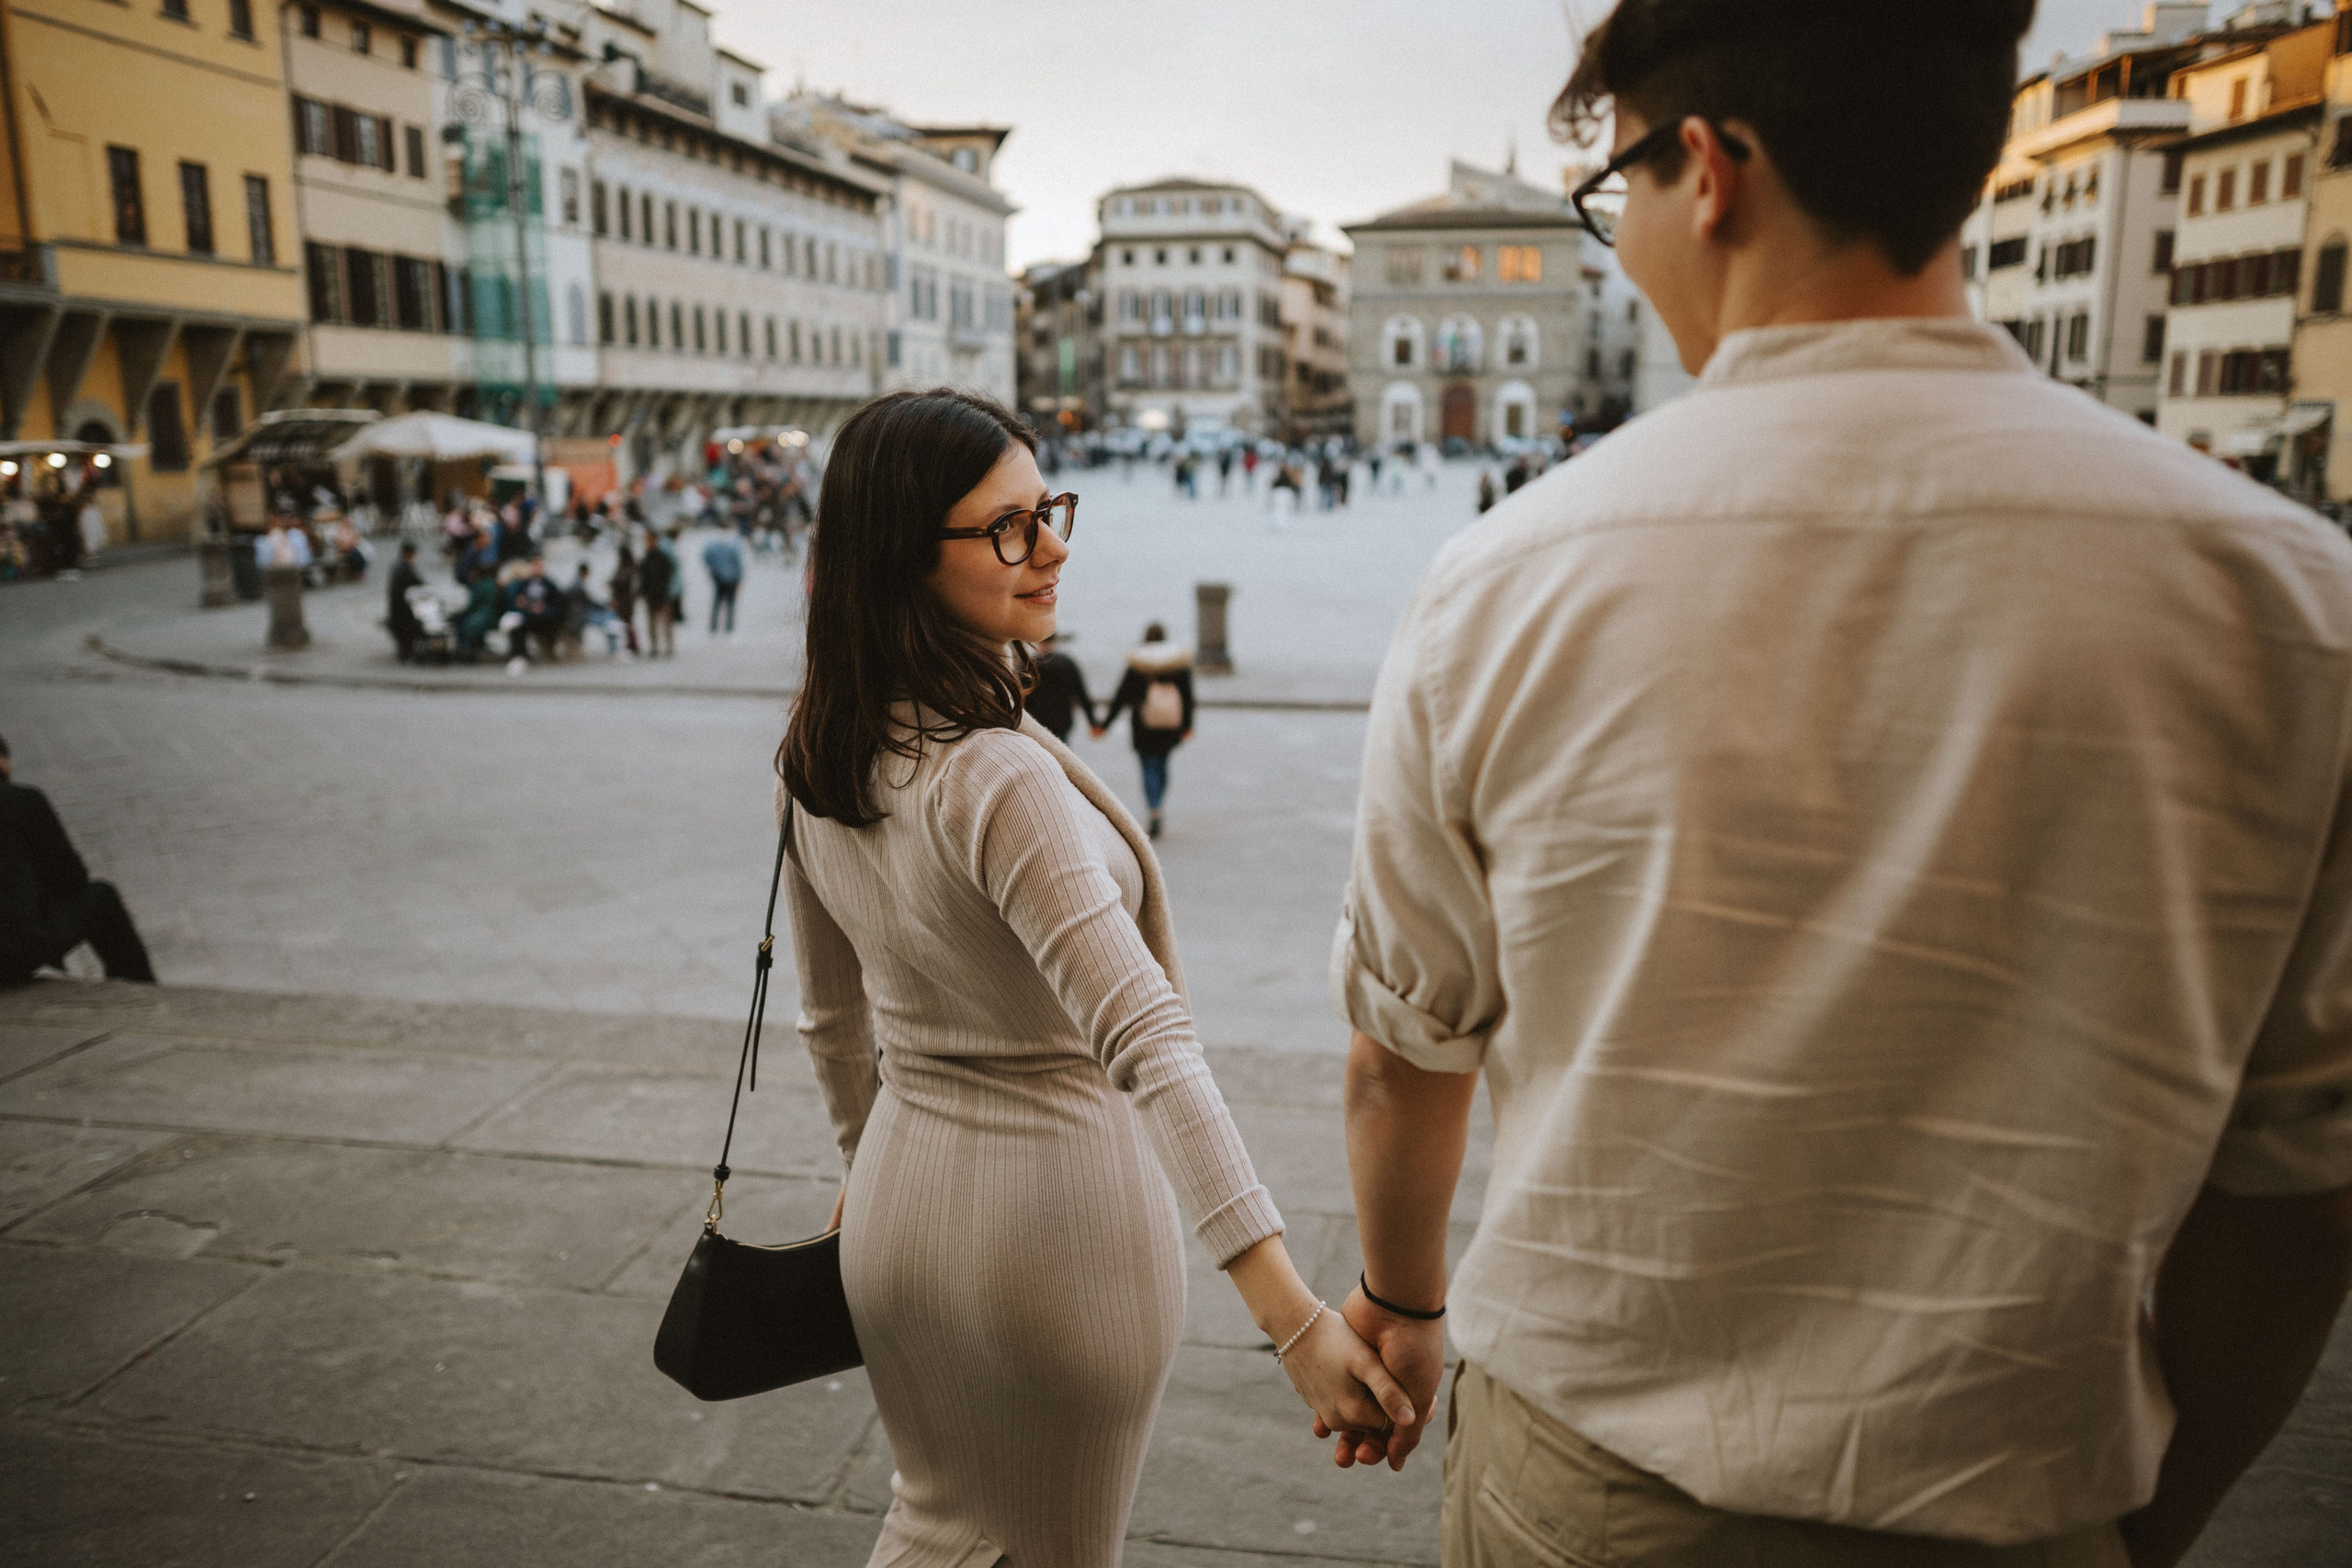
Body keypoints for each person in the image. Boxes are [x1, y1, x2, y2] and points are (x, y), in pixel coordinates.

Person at [1329, 4, 2352, 1567]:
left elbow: (1401, 1057)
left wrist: (1402, 1305)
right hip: (2017, 1492)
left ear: (1716, 171)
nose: (1623, 244)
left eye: (1619, 194)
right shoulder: (2291, 599)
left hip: (1596, 1493)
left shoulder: (1505, 585)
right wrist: (2144, 1523)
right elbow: (2301, 1185)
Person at [776, 389, 1412, 1567]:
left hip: (898, 1219)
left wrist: (866, 1165)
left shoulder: (824, 738)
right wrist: (1294, 1322)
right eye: (1009, 527)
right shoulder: (993, 779)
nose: (1055, 545)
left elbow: (829, 1017)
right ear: (905, 555)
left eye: (1049, 509)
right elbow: (1151, 1045)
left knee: (938, 1523)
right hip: (1048, 1233)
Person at [0, 735, 155, 987]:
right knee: (102, 898)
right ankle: (140, 993)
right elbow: (71, 880)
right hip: (12, 955)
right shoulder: (24, 800)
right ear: (4, 765)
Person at [1093, 622, 1193, 840]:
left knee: (1148, 766)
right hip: (1169, 727)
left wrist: (1103, 725)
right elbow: (1188, 698)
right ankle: (1159, 805)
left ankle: (1153, 808)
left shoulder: (1138, 665)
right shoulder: (1176, 665)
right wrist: (1187, 726)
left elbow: (1121, 698)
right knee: (1162, 765)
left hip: (1144, 727)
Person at [1025, 632, 1097, 743]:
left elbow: (1021, 696)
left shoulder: (1029, 665)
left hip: (1036, 722)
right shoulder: (1067, 663)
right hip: (1061, 721)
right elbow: (1081, 693)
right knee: (1061, 756)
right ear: (1054, 641)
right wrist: (1092, 722)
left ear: (1037, 642)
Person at [637, 530, 676, 658]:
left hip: (662, 595)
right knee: (651, 624)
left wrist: (663, 588)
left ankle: (669, 647)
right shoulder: (646, 557)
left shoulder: (661, 557)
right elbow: (642, 577)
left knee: (665, 622)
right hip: (651, 596)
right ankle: (654, 647)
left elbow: (668, 574)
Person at [386, 541, 425, 662]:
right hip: (403, 607)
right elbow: (418, 581)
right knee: (407, 631)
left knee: (403, 633)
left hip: (397, 606)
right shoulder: (405, 568)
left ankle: (405, 653)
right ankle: (406, 654)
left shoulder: (398, 565)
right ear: (409, 554)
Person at [702, 525, 745, 634]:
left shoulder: (713, 544)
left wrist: (713, 569)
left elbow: (706, 557)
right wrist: (739, 579)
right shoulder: (733, 545)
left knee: (717, 603)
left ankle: (714, 626)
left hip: (719, 578)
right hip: (731, 578)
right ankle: (729, 627)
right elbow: (738, 564)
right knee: (730, 603)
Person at [608, 541, 641, 656]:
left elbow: (621, 582)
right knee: (627, 622)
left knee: (627, 621)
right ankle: (631, 643)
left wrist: (612, 583)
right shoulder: (628, 567)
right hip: (625, 598)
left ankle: (632, 644)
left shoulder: (627, 567)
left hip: (625, 599)